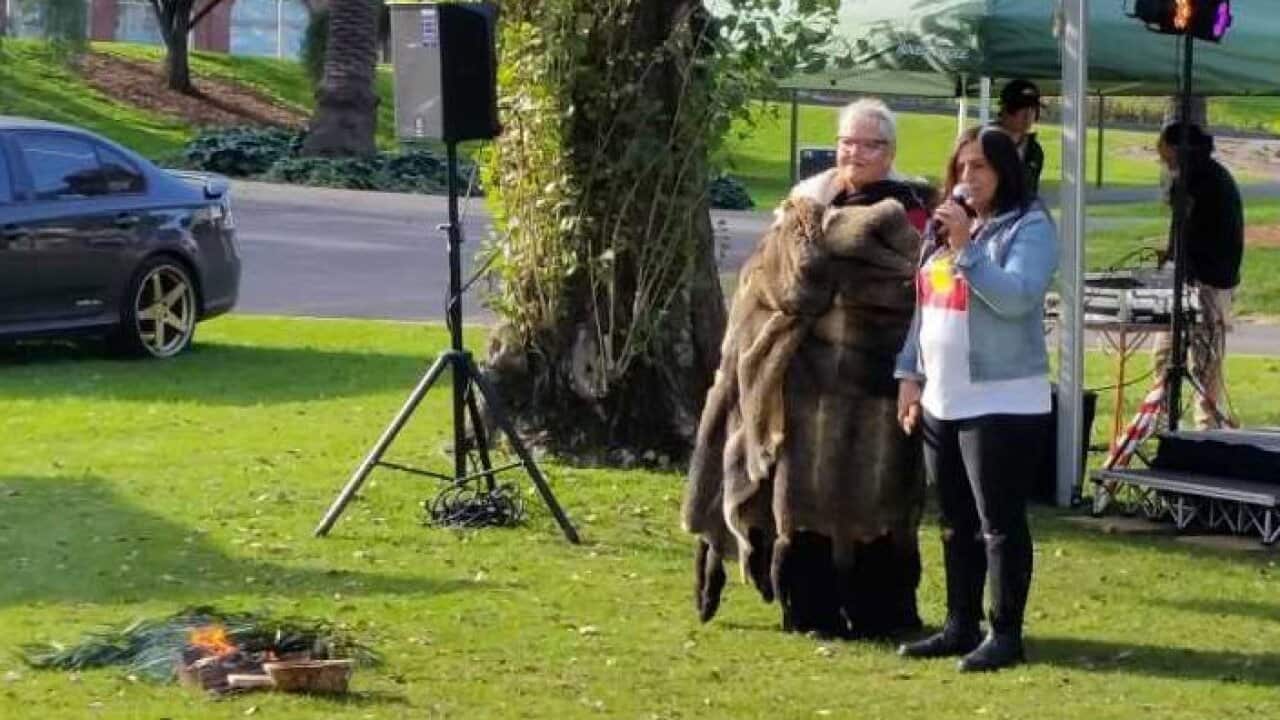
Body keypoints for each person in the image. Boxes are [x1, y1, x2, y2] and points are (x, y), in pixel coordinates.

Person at [893, 126, 1058, 672]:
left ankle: (1005, 632)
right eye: (961, 168)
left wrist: (967, 250)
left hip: (1003, 399)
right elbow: (926, 306)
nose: (967, 179)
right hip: (943, 396)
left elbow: (1016, 298)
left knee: (998, 522)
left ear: (1005, 172)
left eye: (980, 168)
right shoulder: (945, 231)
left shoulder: (1029, 227)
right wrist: (909, 374)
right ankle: (959, 624)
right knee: (954, 521)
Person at [1153, 122, 1243, 429]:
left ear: (1177, 148)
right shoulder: (1203, 175)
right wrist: (1170, 254)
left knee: (1203, 364)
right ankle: (1160, 421)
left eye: (1163, 149)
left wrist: (1178, 257)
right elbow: (1182, 228)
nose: (1161, 157)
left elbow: (1189, 223)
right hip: (1192, 280)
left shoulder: (1201, 179)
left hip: (1209, 282)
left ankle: (1207, 431)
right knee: (1165, 354)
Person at [791, 98, 934, 231]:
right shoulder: (808, 199)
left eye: (869, 145)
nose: (854, 152)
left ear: (891, 152)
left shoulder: (909, 205)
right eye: (847, 142)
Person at [993, 79, 1045, 198]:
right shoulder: (980, 143)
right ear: (1004, 109)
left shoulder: (1035, 151)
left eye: (1033, 109)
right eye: (1020, 107)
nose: (1028, 115)